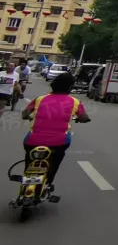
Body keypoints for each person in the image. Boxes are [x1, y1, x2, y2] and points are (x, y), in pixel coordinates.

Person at [19, 72, 89, 201]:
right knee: (55, 161)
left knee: (30, 160)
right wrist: (82, 119)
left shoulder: (40, 99)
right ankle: (48, 183)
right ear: (70, 87)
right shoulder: (75, 102)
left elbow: (25, 114)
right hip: (59, 142)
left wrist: (29, 116)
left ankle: (26, 181)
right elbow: (84, 117)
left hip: (33, 140)